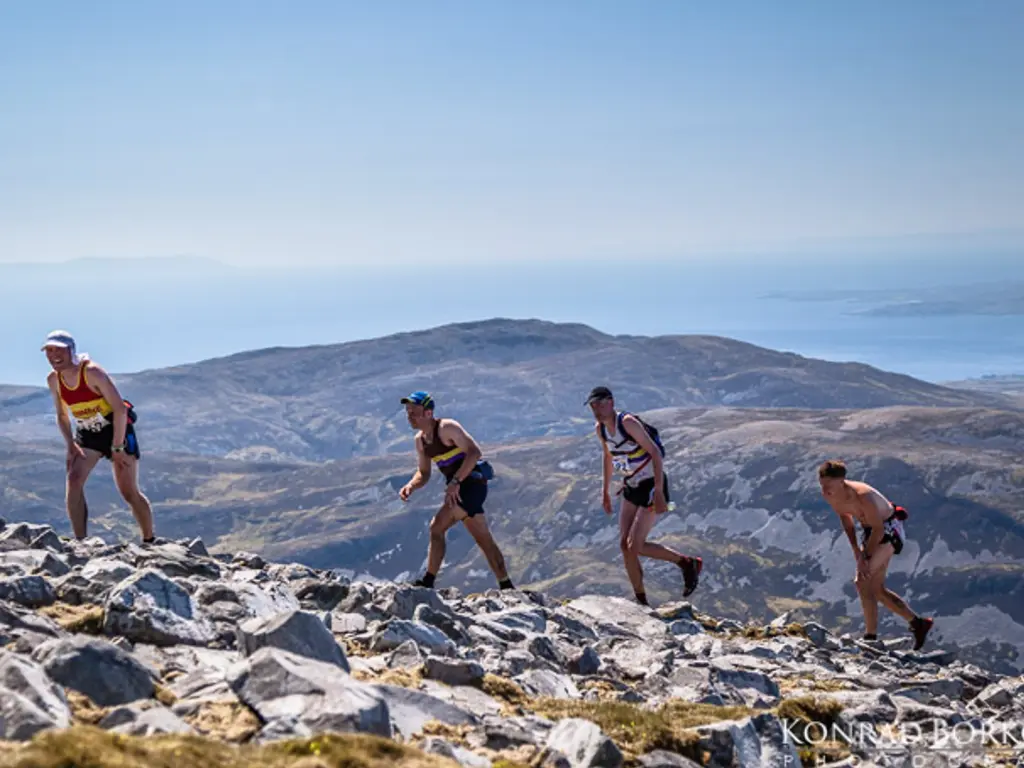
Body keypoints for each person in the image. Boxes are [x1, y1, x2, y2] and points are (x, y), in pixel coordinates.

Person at [586, 386, 702, 606]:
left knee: (636, 545)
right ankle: (641, 601)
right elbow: (608, 456)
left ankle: (686, 563)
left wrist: (658, 491)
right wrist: (605, 491)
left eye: (601, 404)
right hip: (631, 484)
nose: (597, 410)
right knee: (624, 545)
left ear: (611, 402)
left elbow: (656, 453)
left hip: (650, 485)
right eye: (593, 406)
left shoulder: (628, 423)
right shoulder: (600, 429)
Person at [41, 330, 156, 543]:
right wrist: (70, 445)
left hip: (115, 430)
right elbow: (62, 415)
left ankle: (150, 540)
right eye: (49, 350)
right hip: (87, 433)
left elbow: (120, 409)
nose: (54, 355)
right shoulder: (54, 380)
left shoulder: (92, 373)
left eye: (59, 350)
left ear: (71, 351)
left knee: (129, 491)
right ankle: (81, 542)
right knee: (74, 479)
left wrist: (118, 448)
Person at [397, 390, 515, 591]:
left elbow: (474, 452)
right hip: (461, 488)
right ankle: (506, 584)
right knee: (483, 539)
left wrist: (455, 481)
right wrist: (411, 485)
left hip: (471, 484)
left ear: (428, 412)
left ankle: (428, 582)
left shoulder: (447, 428)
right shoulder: (420, 441)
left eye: (414, 411)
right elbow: (423, 473)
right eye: (408, 411)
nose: (410, 416)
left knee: (437, 527)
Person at [818, 459, 934, 650]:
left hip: (888, 529)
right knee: (876, 589)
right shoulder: (831, 495)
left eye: (828, 485)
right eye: (822, 485)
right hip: (871, 531)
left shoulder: (863, 496)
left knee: (862, 580)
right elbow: (845, 519)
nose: (825, 491)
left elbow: (879, 529)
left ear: (842, 481)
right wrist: (856, 549)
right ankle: (918, 623)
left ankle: (870, 638)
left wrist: (864, 558)